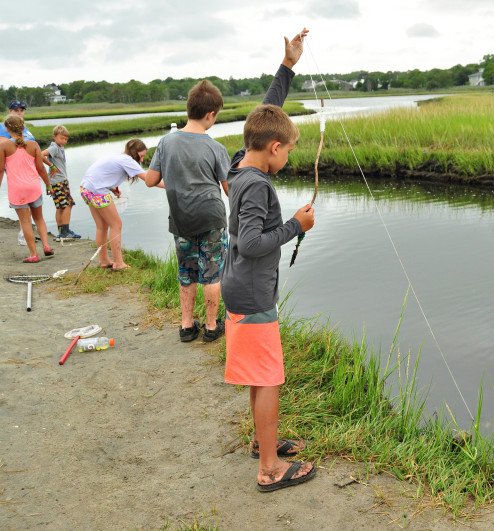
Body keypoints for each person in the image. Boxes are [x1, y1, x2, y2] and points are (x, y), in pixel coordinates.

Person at [220, 28, 316, 492]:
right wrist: (297, 225)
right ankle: (269, 471)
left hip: (238, 288)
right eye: (287, 150)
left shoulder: (240, 164)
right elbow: (253, 243)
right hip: (253, 291)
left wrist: (288, 67)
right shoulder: (257, 184)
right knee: (269, 376)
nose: (287, 157)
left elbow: (263, 117)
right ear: (274, 147)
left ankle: (265, 443)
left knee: (261, 373)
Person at [144, 81, 232, 342]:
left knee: (187, 272)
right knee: (212, 272)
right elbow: (229, 190)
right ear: (211, 114)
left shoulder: (166, 142)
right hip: (212, 218)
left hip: (180, 219)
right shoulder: (216, 148)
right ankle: (211, 326)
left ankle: (186, 326)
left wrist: (176, 182)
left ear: (188, 108)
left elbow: (150, 180)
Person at [80, 139, 162, 270]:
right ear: (134, 152)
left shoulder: (119, 157)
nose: (141, 160)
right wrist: (170, 186)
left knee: (101, 226)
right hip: (98, 191)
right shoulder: (128, 160)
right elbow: (149, 179)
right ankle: (118, 263)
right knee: (116, 225)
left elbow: (101, 174)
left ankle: (104, 261)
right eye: (141, 156)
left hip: (86, 189)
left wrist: (112, 188)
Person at [0, 116, 53, 263]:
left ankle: (33, 254)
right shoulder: (34, 144)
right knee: (39, 218)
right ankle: (47, 246)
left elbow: (0, 170)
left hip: (17, 190)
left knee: (25, 222)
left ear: (7, 129)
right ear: (23, 127)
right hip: (34, 187)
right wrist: (48, 185)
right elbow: (41, 168)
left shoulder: (3, 146)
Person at [42, 125, 81, 241]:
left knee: (60, 207)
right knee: (68, 204)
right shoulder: (54, 147)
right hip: (59, 181)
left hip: (57, 181)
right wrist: (52, 166)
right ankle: (65, 232)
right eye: (61, 138)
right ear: (54, 137)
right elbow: (40, 155)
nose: (64, 141)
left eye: (65, 139)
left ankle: (61, 233)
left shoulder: (59, 147)